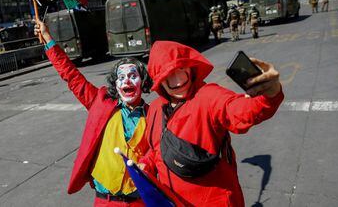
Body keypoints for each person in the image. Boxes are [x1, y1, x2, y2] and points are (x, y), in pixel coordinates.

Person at [139, 40, 284, 206]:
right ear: (159, 81)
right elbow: (156, 148)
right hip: (171, 201)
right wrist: (145, 165)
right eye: (168, 76)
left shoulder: (208, 96)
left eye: (181, 69)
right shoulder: (156, 108)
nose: (178, 80)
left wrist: (269, 95)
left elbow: (240, 110)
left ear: (190, 67)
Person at [34, 20, 152, 206]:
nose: (127, 81)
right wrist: (48, 38)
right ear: (115, 84)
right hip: (104, 201)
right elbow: (71, 76)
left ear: (143, 82)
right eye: (121, 77)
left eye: (132, 76)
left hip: (140, 201)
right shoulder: (101, 103)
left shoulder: (153, 115)